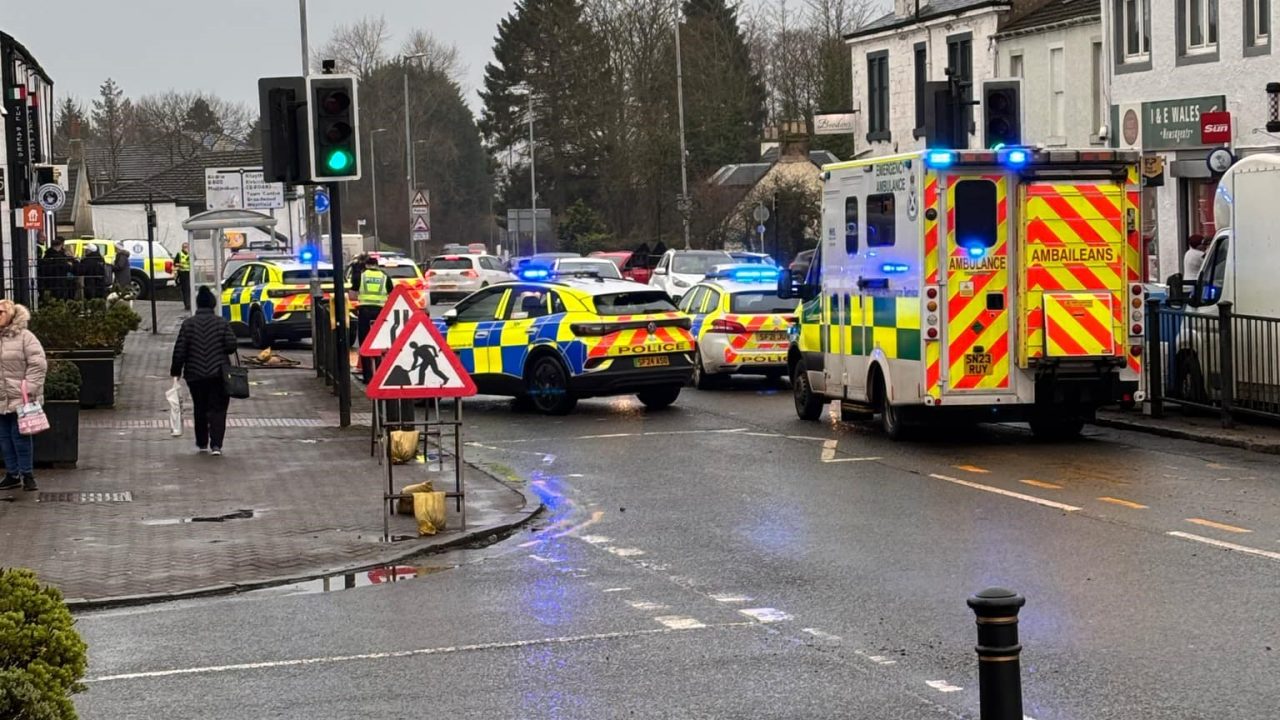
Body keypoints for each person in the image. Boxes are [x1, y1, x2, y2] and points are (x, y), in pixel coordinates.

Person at [171, 286, 237, 456]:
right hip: (218, 374)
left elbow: (180, 350)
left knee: (199, 407)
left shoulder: (188, 324)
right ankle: (216, 445)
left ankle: (202, 443)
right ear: (213, 304)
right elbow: (231, 346)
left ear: (198, 304)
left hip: (195, 375)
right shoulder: (221, 323)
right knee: (218, 408)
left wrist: (176, 371)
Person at [0, 300, 47, 492]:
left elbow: (38, 363)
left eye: (2, 311)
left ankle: (27, 475)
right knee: (4, 437)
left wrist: (28, 388)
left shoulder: (25, 337)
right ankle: (12, 474)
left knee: (20, 437)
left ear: (11, 314)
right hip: (2, 397)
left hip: (21, 397)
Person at [355, 255, 389, 383]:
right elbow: (391, 294)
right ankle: (381, 373)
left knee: (365, 344)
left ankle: (368, 376)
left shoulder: (361, 276)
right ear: (377, 265)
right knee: (381, 343)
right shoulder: (384, 277)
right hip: (380, 313)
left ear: (366, 265)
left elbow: (353, 295)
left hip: (364, 312)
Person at [175, 241, 192, 311]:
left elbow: (196, 261)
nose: (186, 248)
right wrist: (180, 265)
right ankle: (187, 305)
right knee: (186, 289)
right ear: (182, 248)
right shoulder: (179, 254)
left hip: (190, 273)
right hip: (183, 274)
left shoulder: (191, 254)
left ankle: (191, 304)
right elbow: (175, 263)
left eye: (187, 247)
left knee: (190, 289)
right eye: (184, 247)